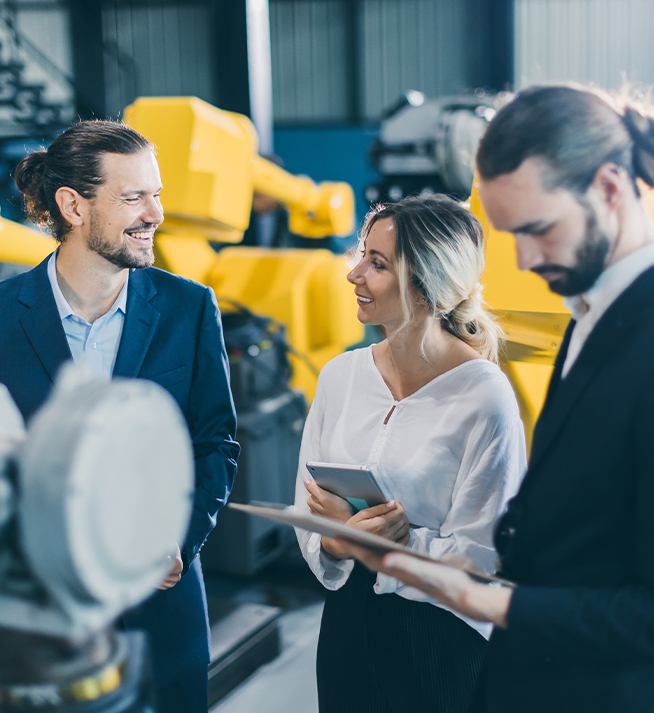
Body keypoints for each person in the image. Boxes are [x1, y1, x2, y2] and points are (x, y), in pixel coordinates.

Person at [341, 85, 654, 713]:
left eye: (537, 229)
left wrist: (491, 599)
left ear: (611, 187)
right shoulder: (596, 320)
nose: (527, 260)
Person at [0, 120, 240, 713]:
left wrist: (180, 539)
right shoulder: (3, 317)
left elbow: (216, 441)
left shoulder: (188, 307)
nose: (155, 213)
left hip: (161, 612)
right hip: (39, 622)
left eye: (156, 194)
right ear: (72, 206)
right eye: (133, 197)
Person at [294, 194, 527, 712]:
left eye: (377, 264)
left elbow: (485, 559)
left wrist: (392, 546)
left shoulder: (483, 396)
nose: (354, 274)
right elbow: (307, 513)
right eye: (361, 255)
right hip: (347, 628)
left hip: (441, 639)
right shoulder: (340, 377)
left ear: (429, 285)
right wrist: (336, 544)